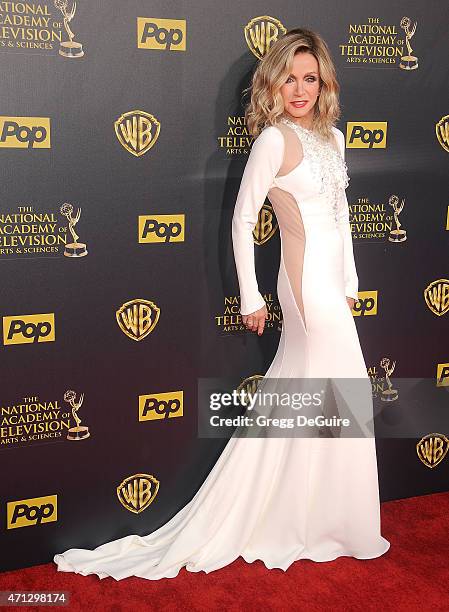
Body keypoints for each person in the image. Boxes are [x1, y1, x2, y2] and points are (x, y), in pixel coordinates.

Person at [53, 28, 390, 581]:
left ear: (324, 82)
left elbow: (342, 216)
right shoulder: (273, 142)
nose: (299, 89)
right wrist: (252, 294)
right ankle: (316, 520)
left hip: (333, 284)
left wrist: (352, 279)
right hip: (303, 288)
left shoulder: (333, 138)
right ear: (273, 83)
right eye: (289, 78)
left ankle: (316, 516)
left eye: (310, 78)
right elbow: (241, 219)